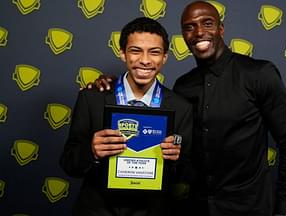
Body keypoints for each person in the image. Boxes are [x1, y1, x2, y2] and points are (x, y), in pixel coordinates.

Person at [91, 1, 286, 216]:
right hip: (197, 207)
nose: (199, 32)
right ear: (183, 36)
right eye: (190, 27)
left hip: (250, 207)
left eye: (207, 23)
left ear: (221, 29)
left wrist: (283, 209)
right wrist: (110, 85)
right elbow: (178, 155)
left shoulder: (258, 74)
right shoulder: (183, 86)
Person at [60, 17, 192, 216]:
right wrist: (92, 151)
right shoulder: (92, 98)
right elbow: (69, 163)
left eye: (154, 52)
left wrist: (176, 159)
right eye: (136, 50)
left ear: (165, 57)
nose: (145, 60)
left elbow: (188, 172)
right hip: (96, 209)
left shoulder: (182, 107)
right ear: (122, 53)